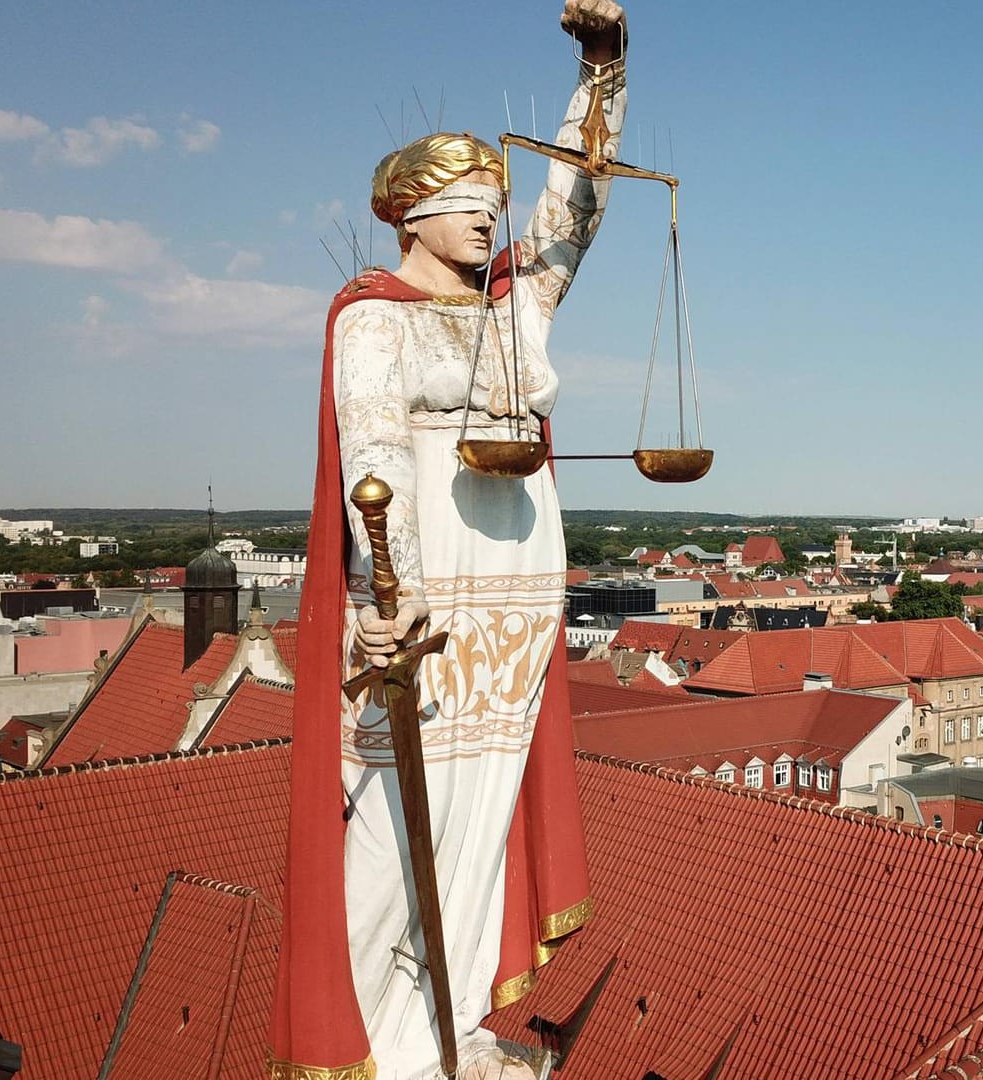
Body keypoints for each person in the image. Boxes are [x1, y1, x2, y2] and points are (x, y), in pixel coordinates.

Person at [271, 3, 625, 1077]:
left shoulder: (518, 306)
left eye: (490, 201)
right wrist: (393, 595)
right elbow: (373, 463)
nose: (486, 216)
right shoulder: (372, 316)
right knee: (391, 821)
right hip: (427, 597)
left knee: (486, 801)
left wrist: (602, 70)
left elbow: (578, 203)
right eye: (460, 203)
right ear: (409, 218)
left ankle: (454, 1020)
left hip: (517, 588)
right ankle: (375, 1041)